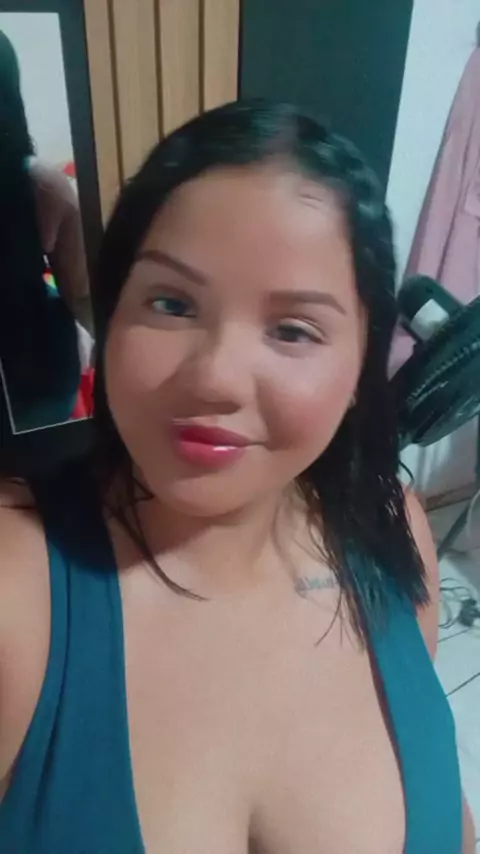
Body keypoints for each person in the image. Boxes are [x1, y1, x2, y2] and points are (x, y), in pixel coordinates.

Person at [0, 101, 475, 852]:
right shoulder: (17, 585)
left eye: (293, 329)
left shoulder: (393, 529)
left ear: (361, 364)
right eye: (171, 303)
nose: (216, 377)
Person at [0, 30, 87, 431]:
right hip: (41, 376)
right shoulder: (40, 183)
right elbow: (80, 294)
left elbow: (82, 296)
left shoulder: (41, 184)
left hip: (39, 377)